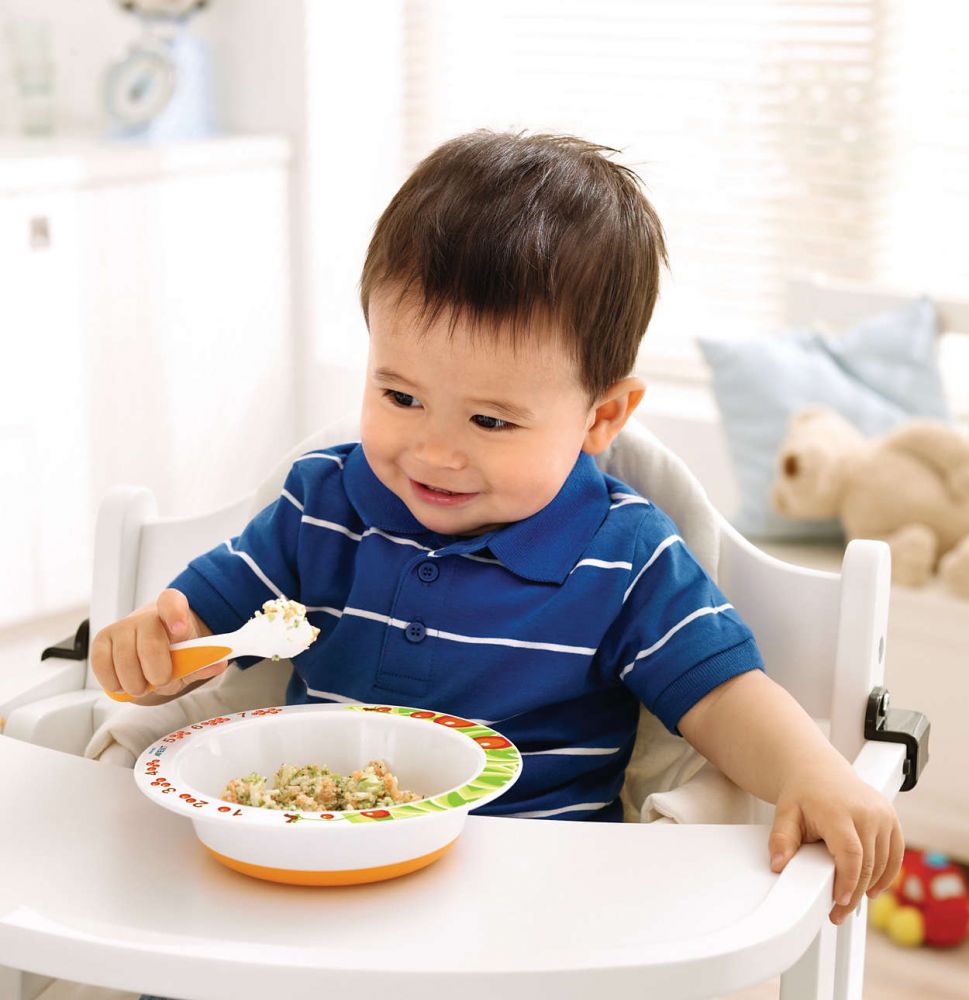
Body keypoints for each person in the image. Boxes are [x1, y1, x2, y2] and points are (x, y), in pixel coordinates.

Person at [92, 130, 902, 934]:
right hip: (314, 871)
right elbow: (204, 626)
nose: (433, 452)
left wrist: (810, 772)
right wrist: (158, 651)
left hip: (530, 914)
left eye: (489, 420)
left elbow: (722, 696)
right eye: (400, 397)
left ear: (602, 416)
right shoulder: (321, 505)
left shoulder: (625, 557)